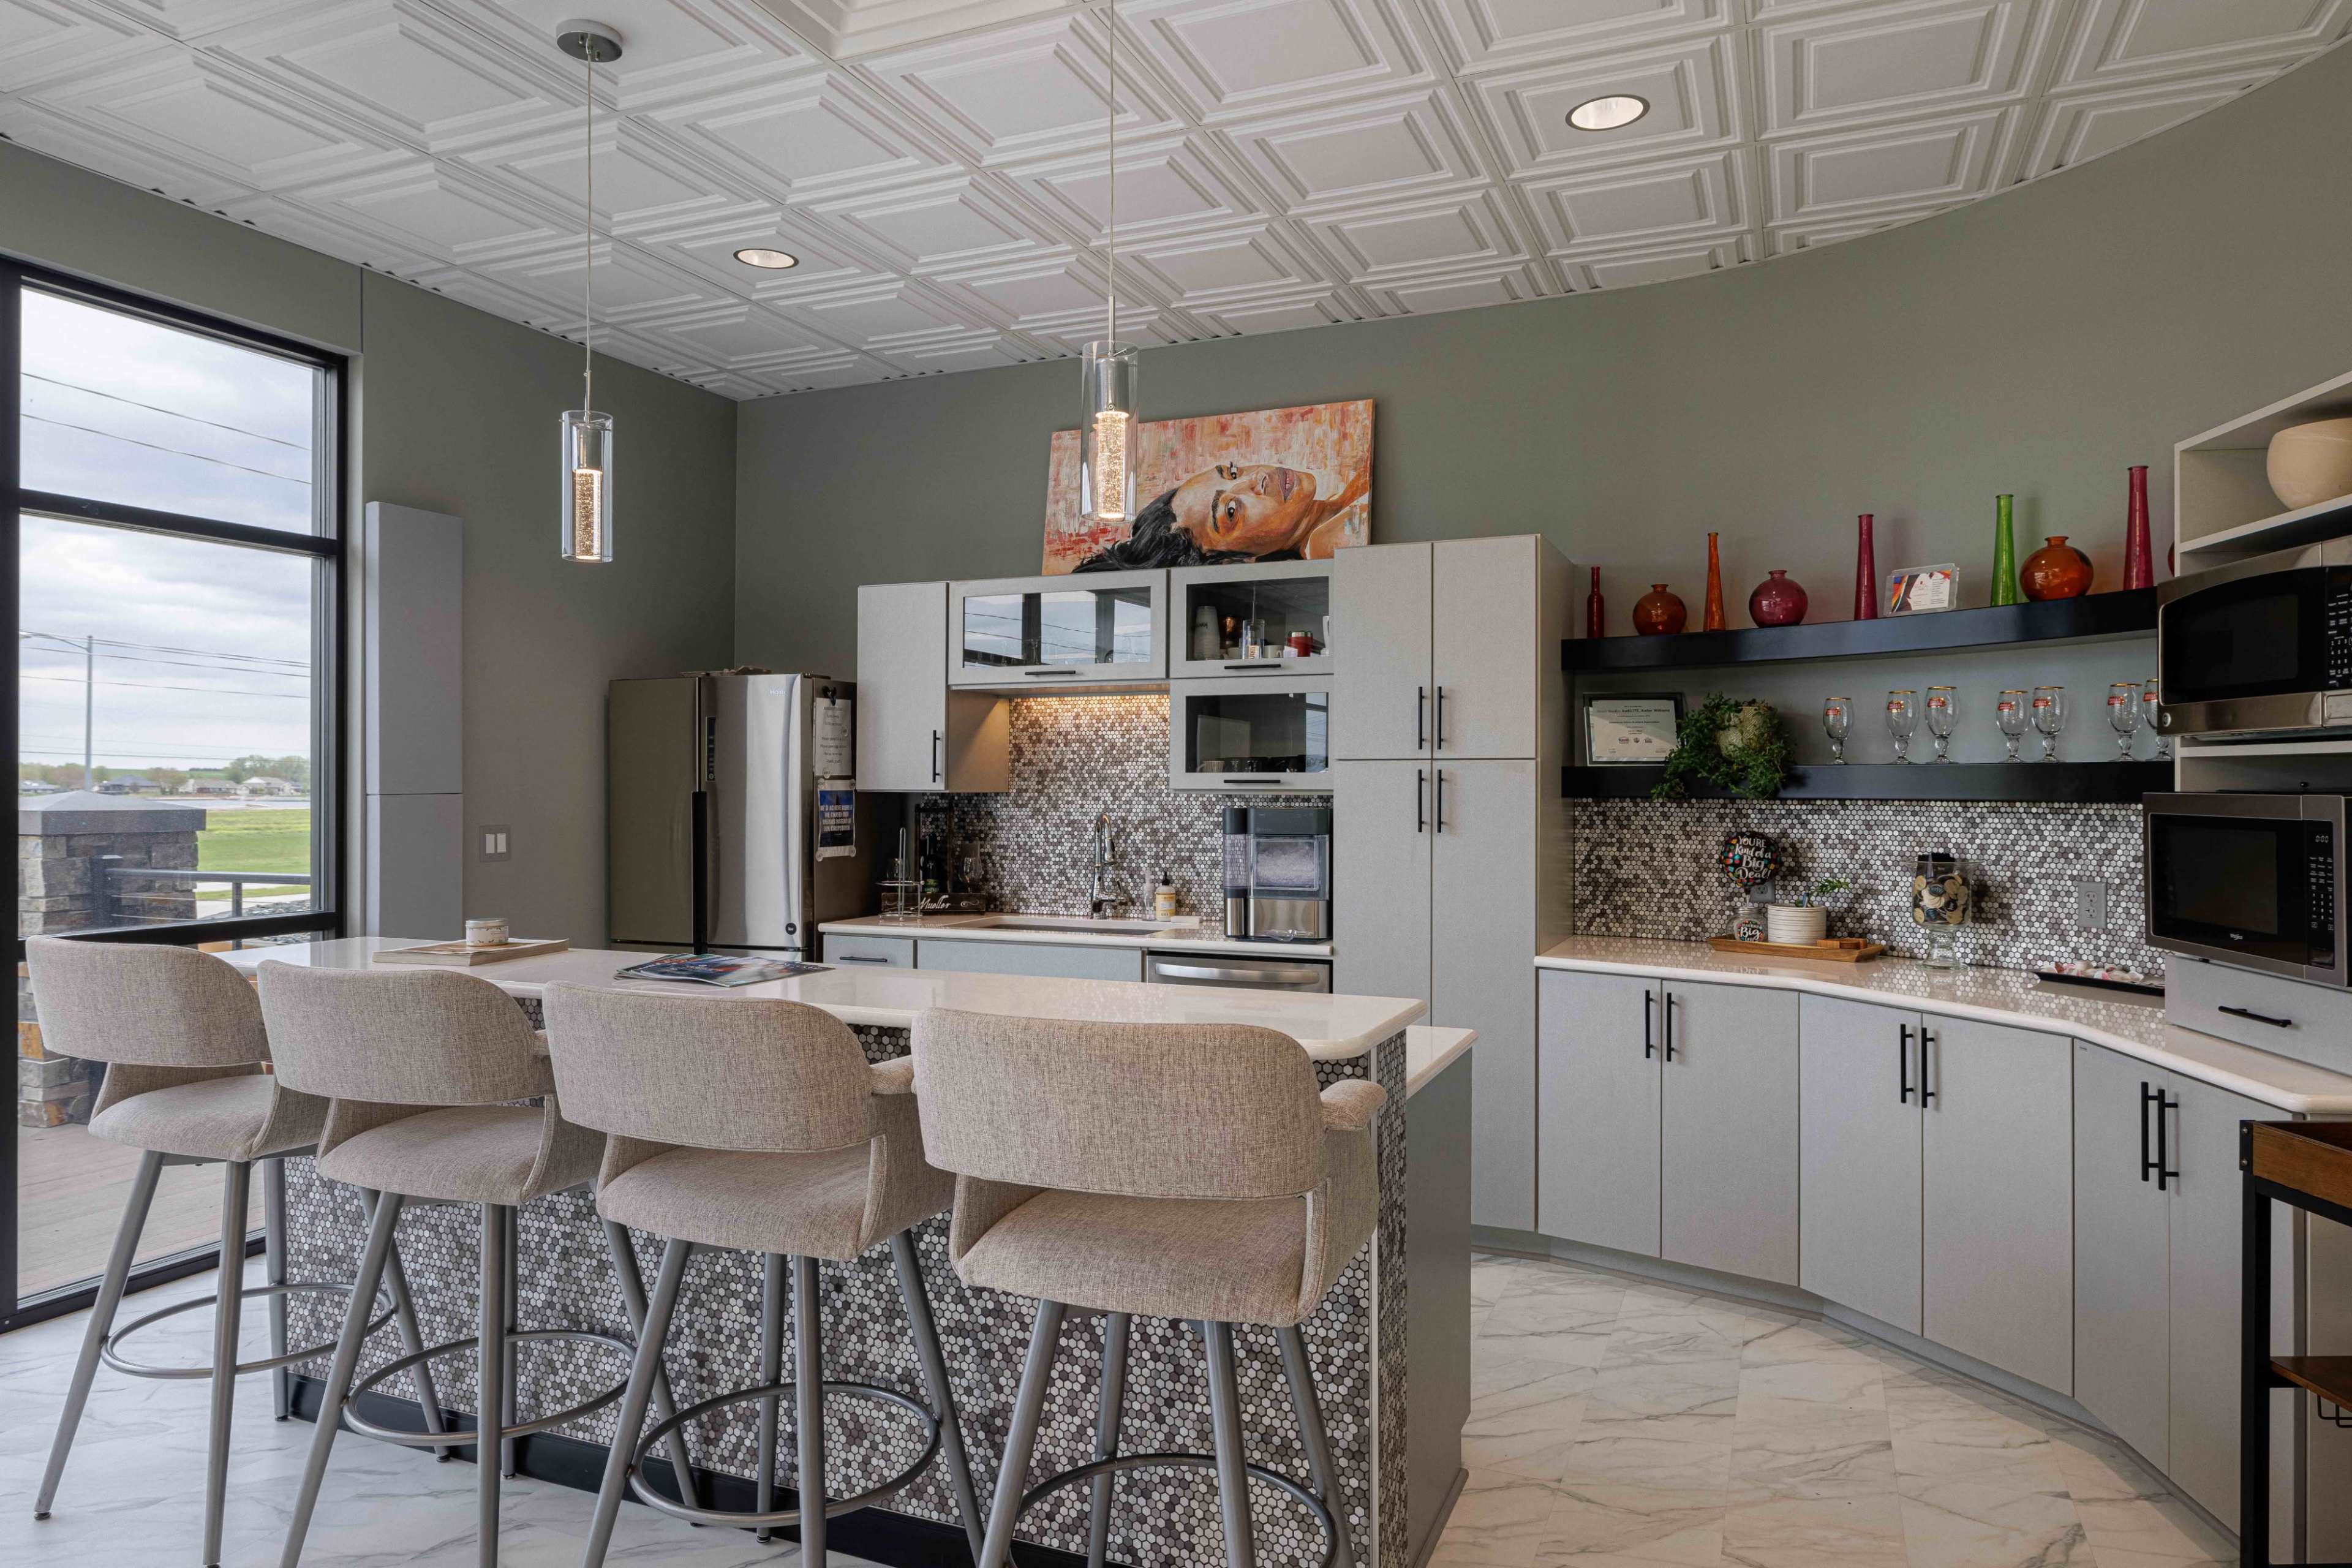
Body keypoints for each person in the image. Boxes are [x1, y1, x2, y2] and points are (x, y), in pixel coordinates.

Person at [1073, 459, 1367, 571]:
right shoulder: (1336, 538)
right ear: (1236, 559)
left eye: (1233, 473)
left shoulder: (1340, 505)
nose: (1257, 479)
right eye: (1231, 511)